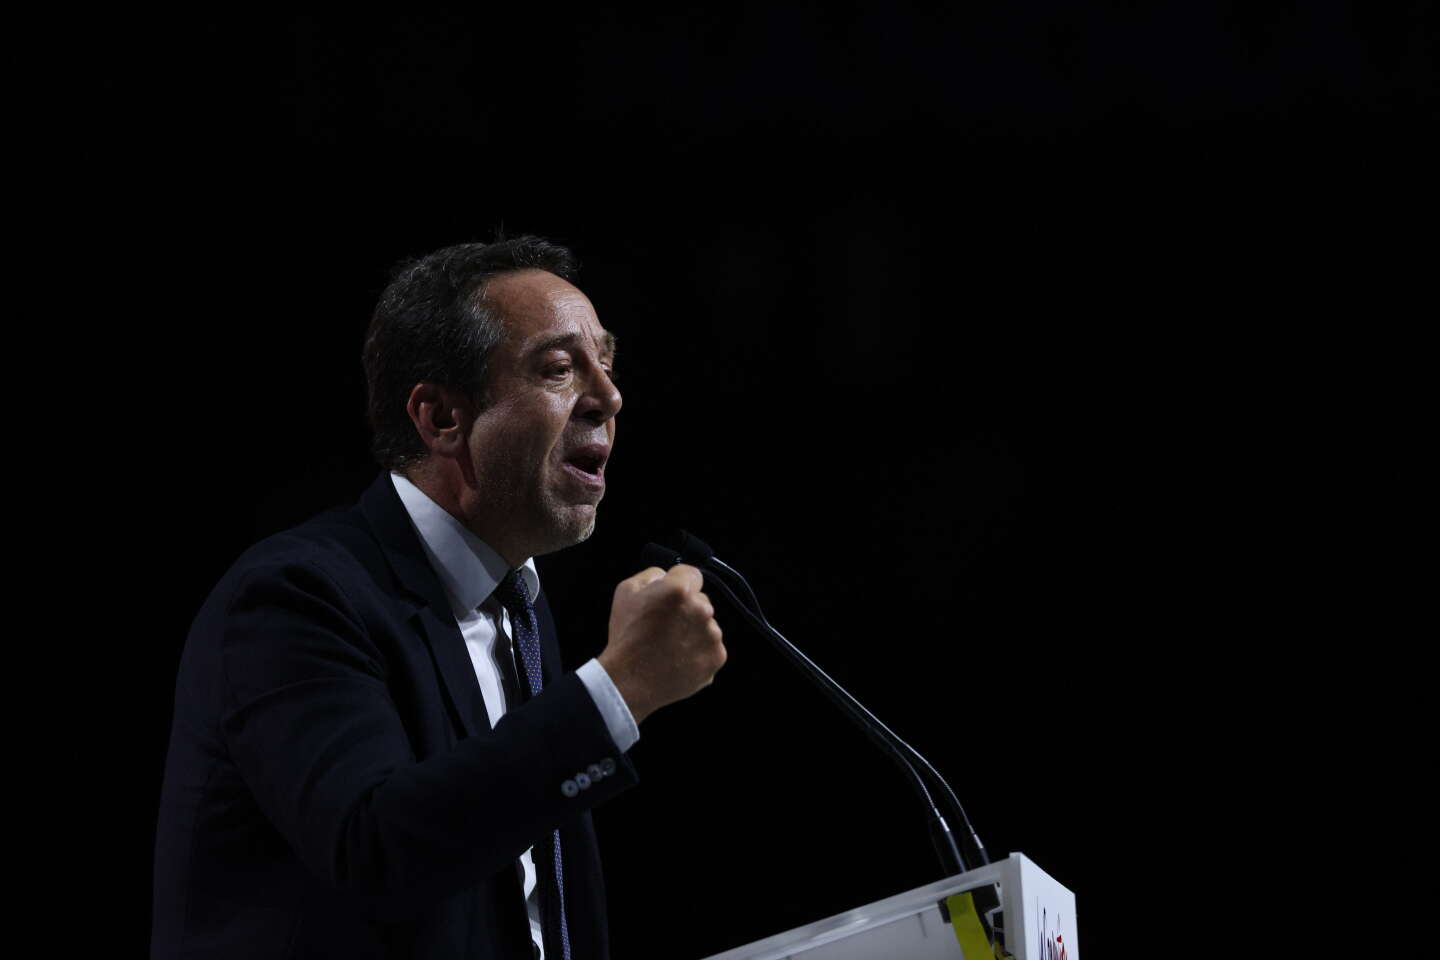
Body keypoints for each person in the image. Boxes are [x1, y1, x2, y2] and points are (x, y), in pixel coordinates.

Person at [151, 236, 727, 959]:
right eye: (559, 368)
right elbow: (377, 852)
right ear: (442, 418)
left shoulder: (518, 602)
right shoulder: (294, 598)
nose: (610, 397)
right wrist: (618, 689)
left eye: (606, 365)